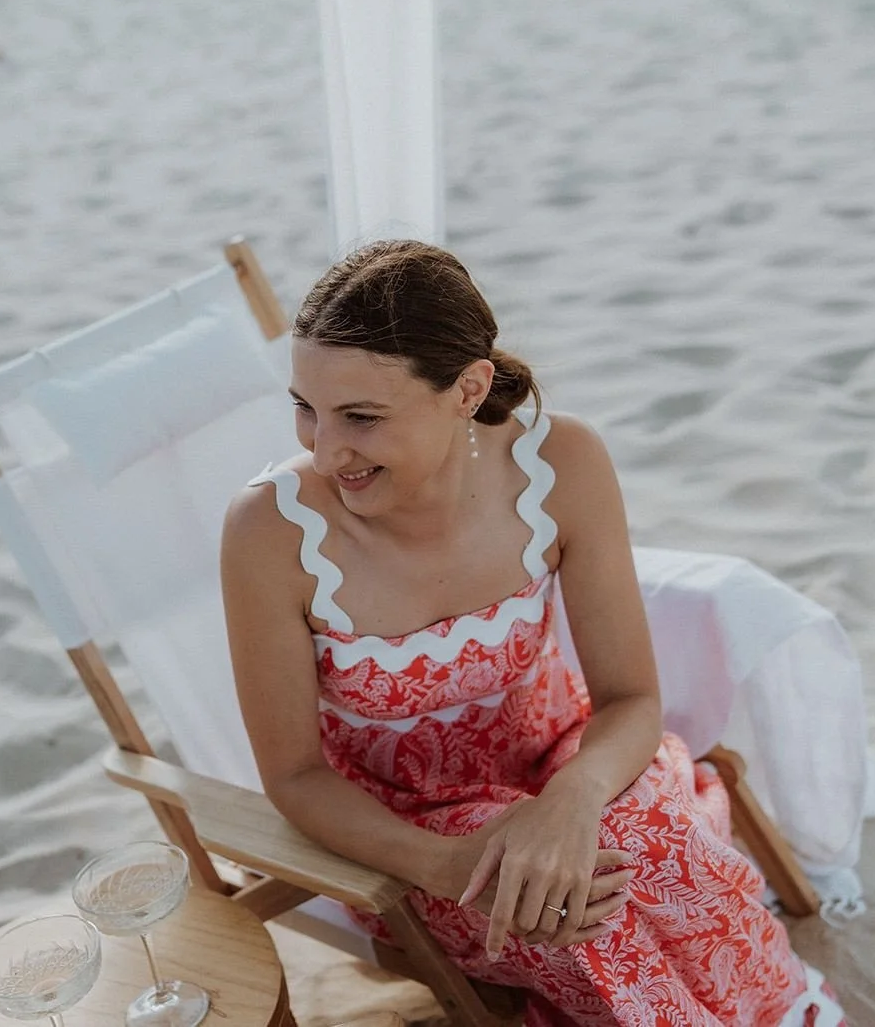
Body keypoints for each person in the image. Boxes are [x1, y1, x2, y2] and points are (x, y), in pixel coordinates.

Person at [221, 239, 843, 1027]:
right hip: (415, 829)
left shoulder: (561, 463)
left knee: (666, 857)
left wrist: (572, 797)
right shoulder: (270, 532)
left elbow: (630, 698)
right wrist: (447, 865)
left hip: (575, 757)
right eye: (305, 407)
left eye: (361, 417)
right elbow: (295, 777)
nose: (321, 447)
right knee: (581, 914)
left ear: (467, 388)